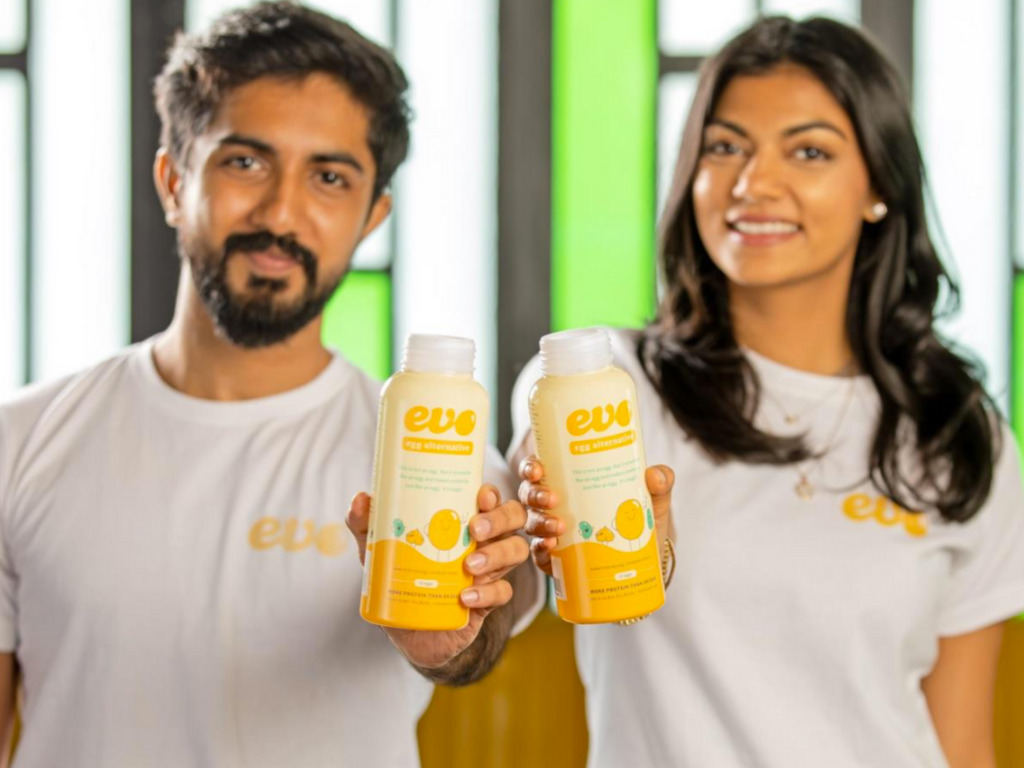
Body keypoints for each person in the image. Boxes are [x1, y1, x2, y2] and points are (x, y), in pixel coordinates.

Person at [0, 3, 536, 765]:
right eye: (245, 163)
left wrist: (448, 637)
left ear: (371, 216)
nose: (282, 211)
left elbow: (477, 641)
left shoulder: (439, 462)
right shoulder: (19, 441)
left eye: (329, 177)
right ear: (173, 181)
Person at [514, 16, 1024, 768]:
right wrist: (620, 546)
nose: (753, 184)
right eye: (725, 148)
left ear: (880, 186)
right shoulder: (606, 387)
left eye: (809, 151)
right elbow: (549, 536)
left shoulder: (957, 432)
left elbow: (965, 742)